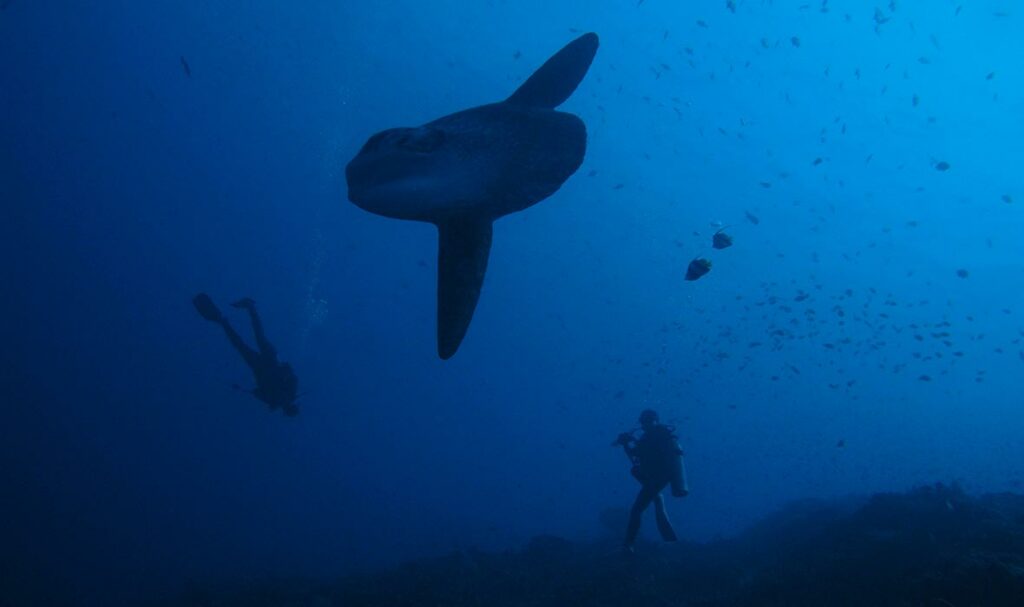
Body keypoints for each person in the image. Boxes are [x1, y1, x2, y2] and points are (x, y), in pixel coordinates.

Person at [193, 293, 299, 416]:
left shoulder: (273, 400)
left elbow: (256, 392)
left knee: (241, 345)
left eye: (286, 407)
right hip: (270, 360)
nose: (286, 403)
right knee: (258, 337)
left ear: (284, 409)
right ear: (292, 404)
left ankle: (225, 320)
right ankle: (249, 307)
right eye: (289, 405)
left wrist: (260, 393)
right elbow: (290, 372)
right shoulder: (290, 390)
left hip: (259, 368)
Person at [613, 409, 688, 551]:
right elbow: (636, 456)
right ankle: (666, 537)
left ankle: (629, 545)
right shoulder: (646, 438)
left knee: (636, 510)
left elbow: (644, 454)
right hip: (653, 478)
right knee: (645, 502)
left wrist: (628, 443)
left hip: (659, 478)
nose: (645, 424)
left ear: (655, 421)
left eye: (648, 421)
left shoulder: (660, 436)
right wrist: (625, 444)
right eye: (643, 422)